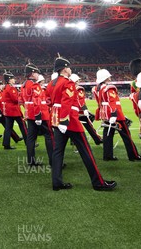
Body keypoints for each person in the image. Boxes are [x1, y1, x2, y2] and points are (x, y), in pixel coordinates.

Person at [50, 55, 116, 191]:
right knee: (86, 152)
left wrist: (59, 119)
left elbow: (49, 102)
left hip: (57, 120)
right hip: (69, 120)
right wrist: (64, 119)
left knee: (57, 153)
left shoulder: (51, 83)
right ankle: (98, 183)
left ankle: (56, 182)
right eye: (68, 67)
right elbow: (67, 102)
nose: (70, 70)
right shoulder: (67, 83)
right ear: (64, 68)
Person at [92, 69, 141, 161]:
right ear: (105, 78)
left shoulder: (96, 88)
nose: (110, 78)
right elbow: (113, 102)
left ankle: (107, 155)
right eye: (109, 77)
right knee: (126, 135)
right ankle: (133, 155)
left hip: (105, 113)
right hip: (115, 114)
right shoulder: (109, 88)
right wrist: (114, 114)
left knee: (108, 135)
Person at [22, 63, 53, 166]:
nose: (37, 75)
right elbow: (37, 101)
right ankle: (53, 161)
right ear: (32, 73)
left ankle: (31, 161)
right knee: (49, 136)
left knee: (30, 138)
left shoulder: (24, 84)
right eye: (36, 73)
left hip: (30, 114)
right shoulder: (35, 85)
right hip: (39, 113)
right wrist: (38, 116)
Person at [70, 74, 102, 145]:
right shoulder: (79, 89)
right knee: (89, 125)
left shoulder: (69, 89)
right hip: (80, 112)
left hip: (72, 112)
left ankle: (73, 140)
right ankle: (97, 139)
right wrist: (84, 109)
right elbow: (80, 100)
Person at [1, 71, 27, 150]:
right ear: (9, 80)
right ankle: (28, 142)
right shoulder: (11, 88)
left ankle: (6, 144)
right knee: (23, 126)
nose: (14, 80)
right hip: (14, 111)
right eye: (12, 79)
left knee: (8, 128)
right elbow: (15, 99)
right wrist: (19, 94)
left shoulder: (6, 87)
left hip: (8, 111)